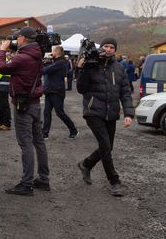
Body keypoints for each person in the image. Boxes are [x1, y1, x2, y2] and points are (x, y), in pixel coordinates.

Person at [0, 26, 50, 196]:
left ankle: (26, 184)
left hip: (23, 105)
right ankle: (43, 178)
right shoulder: (37, 55)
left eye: (17, 38)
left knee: (25, 143)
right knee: (38, 141)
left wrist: (2, 51)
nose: (15, 40)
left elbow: (0, 67)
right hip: (34, 103)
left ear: (23, 39)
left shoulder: (23, 58)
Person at [76, 37, 134, 197]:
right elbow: (81, 89)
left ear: (115, 50)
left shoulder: (119, 68)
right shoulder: (91, 64)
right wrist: (83, 68)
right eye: (105, 46)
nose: (108, 49)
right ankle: (115, 181)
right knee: (106, 147)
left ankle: (86, 164)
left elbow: (126, 92)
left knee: (108, 147)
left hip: (111, 113)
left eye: (112, 47)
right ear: (100, 48)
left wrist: (128, 113)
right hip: (93, 111)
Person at [42, 46, 78, 139]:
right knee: (46, 112)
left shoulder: (60, 63)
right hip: (50, 91)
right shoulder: (56, 62)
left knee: (60, 113)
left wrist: (44, 64)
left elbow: (46, 70)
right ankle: (44, 133)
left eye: (52, 51)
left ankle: (73, 130)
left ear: (57, 52)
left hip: (56, 91)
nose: (51, 53)